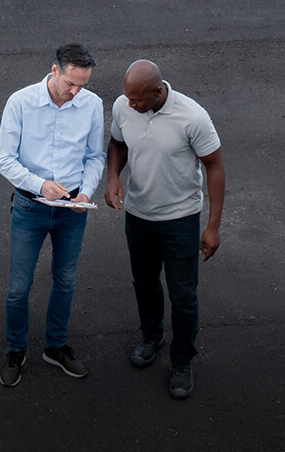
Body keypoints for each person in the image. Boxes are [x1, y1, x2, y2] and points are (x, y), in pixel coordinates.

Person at [103, 60, 226, 400]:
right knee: (143, 283)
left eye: (138, 100)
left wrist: (212, 227)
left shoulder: (193, 117)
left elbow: (214, 167)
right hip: (138, 216)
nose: (130, 105)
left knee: (183, 295)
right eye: (127, 98)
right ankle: (152, 335)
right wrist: (113, 175)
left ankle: (183, 361)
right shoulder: (123, 104)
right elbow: (117, 144)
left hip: (180, 220)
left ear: (158, 92)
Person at [0, 43, 105, 387]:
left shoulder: (92, 104)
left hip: (74, 208)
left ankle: (55, 347)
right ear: (54, 70)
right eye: (71, 83)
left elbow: (95, 157)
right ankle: (16, 350)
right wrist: (41, 185)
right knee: (18, 287)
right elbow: (4, 160)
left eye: (82, 85)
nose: (75, 92)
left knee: (66, 281)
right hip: (30, 207)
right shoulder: (21, 102)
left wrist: (85, 192)